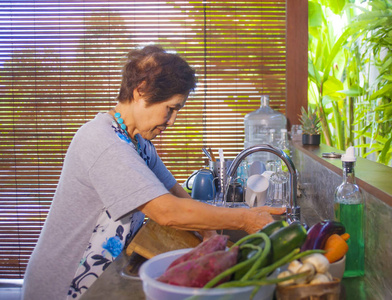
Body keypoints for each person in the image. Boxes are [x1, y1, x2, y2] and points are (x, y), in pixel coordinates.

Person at [21, 45, 285, 300]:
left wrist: (209, 233)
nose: (172, 121)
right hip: (64, 284)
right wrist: (244, 220)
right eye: (170, 108)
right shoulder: (103, 142)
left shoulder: (138, 143)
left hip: (98, 275)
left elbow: (176, 194)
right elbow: (166, 211)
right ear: (140, 91)